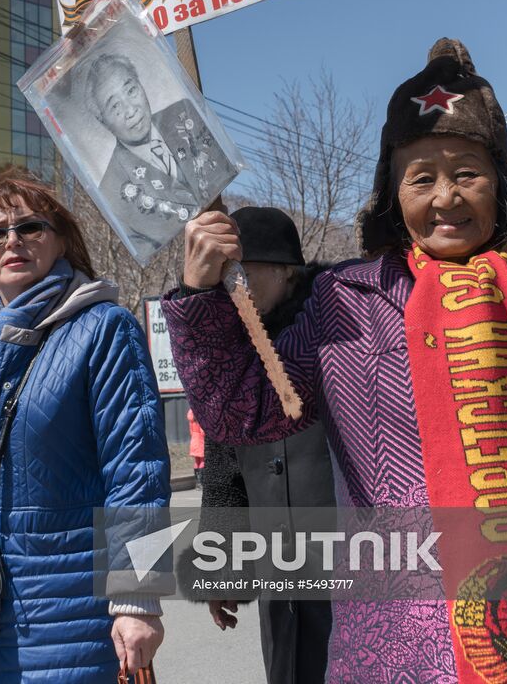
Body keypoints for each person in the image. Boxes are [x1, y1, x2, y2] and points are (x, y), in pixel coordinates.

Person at [162, 39, 507, 682]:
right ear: (393, 196)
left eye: (467, 172)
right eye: (422, 177)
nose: (446, 196)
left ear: (501, 185)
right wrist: (202, 297)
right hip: (410, 645)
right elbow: (242, 414)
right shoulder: (349, 302)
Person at [0, 170, 170, 683]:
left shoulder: (103, 329)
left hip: (70, 614)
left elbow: (137, 473)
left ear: (61, 239)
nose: (13, 242)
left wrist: (137, 599)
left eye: (30, 227)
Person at [196, 206, 334, 684]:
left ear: (288, 274)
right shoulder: (232, 362)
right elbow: (223, 474)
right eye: (221, 279)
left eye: (241, 275)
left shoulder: (336, 340)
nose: (231, 290)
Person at [85, 52, 227, 255]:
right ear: (102, 120)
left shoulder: (185, 114)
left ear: (141, 86)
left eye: (131, 90)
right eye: (115, 106)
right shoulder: (112, 192)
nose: (131, 110)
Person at [187, 406, 205, 487]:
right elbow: (203, 432)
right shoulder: (200, 417)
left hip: (193, 440)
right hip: (200, 440)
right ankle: (201, 482)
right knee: (202, 461)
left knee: (196, 461)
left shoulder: (191, 418)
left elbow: (191, 431)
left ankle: (197, 482)